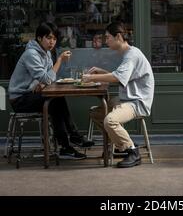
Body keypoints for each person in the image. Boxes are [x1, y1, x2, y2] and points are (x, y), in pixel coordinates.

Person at [8, 22, 94, 160]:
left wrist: (42, 82)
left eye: (54, 39)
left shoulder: (46, 53)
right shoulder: (31, 54)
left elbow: (47, 79)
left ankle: (69, 143)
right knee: (55, 101)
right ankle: (70, 142)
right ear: (39, 38)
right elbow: (47, 78)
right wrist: (59, 61)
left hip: (31, 95)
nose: (52, 42)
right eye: (49, 38)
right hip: (20, 99)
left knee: (57, 99)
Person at [83, 22, 155, 168]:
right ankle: (119, 145)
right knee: (96, 114)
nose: (106, 41)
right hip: (127, 98)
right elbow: (121, 76)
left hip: (136, 102)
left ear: (118, 37)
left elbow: (117, 78)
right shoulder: (129, 53)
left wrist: (91, 78)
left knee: (109, 120)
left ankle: (132, 151)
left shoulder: (131, 55)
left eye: (108, 37)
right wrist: (101, 71)